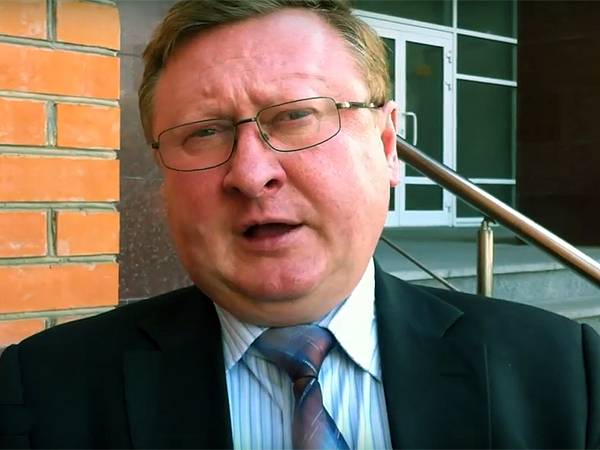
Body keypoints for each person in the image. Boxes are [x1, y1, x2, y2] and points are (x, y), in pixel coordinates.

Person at [1, 0, 599, 448]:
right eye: (203, 132)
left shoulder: (568, 376)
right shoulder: (39, 393)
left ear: (387, 144)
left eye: (295, 117)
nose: (250, 173)